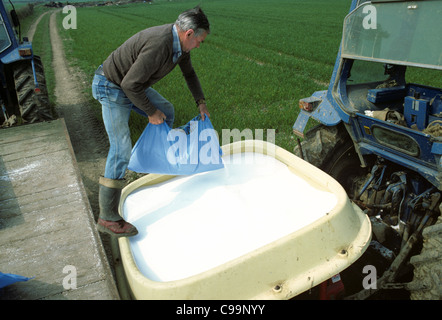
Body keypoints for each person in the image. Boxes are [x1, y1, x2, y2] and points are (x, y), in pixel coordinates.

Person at [92, 6, 211, 237]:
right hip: (111, 86)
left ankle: (158, 160)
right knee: (120, 148)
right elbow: (129, 85)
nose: (199, 45)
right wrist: (150, 112)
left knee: (166, 109)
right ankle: (107, 217)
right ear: (188, 34)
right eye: (200, 40)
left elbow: (190, 74)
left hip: (131, 86)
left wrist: (201, 102)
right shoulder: (160, 43)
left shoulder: (181, 48)